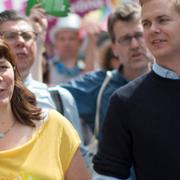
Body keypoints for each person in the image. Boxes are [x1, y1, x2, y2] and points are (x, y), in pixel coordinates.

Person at [93, 0, 180, 179]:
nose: (152, 29)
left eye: (162, 20)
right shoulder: (124, 101)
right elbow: (108, 175)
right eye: (146, 23)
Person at [0, 8, 92, 169]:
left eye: (27, 36)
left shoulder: (60, 98)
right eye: (11, 36)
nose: (21, 41)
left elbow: (78, 160)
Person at [62, 2, 153, 140]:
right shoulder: (98, 86)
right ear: (114, 48)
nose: (134, 45)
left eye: (139, 35)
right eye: (125, 39)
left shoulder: (171, 78)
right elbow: (44, 99)